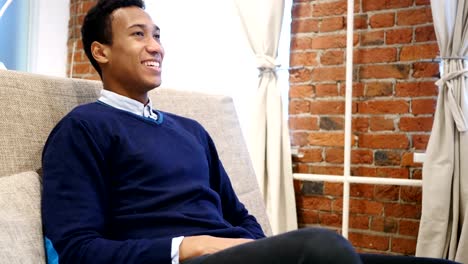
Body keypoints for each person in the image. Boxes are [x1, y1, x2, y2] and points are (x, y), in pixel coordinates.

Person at [41, 0, 362, 263]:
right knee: (323, 248)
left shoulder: (191, 131)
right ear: (101, 52)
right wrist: (187, 246)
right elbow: (76, 250)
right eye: (139, 35)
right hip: (181, 260)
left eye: (157, 36)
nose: (155, 47)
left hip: (232, 256)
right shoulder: (82, 128)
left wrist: (256, 250)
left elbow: (240, 216)